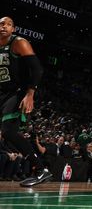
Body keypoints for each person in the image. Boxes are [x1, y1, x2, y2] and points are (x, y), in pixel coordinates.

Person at [0, 16, 52, 187]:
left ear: (13, 29)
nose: (4, 27)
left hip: (17, 92)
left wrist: (30, 94)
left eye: (8, 24)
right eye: (1, 24)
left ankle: (40, 169)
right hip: (2, 92)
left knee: (8, 131)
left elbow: (37, 69)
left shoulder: (19, 42)